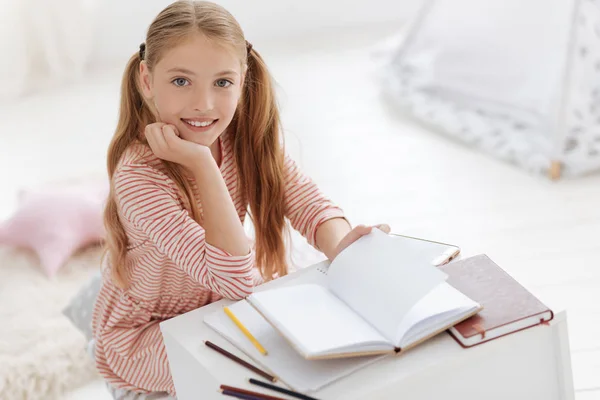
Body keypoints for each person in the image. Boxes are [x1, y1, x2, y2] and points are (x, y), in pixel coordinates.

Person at [91, 1, 390, 398]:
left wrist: (343, 247)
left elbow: (307, 203)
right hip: (150, 335)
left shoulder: (242, 140)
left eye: (222, 82)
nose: (204, 104)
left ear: (243, 78)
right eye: (181, 81)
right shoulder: (139, 178)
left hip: (217, 306)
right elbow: (233, 280)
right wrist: (201, 162)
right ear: (147, 80)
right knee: (271, 370)